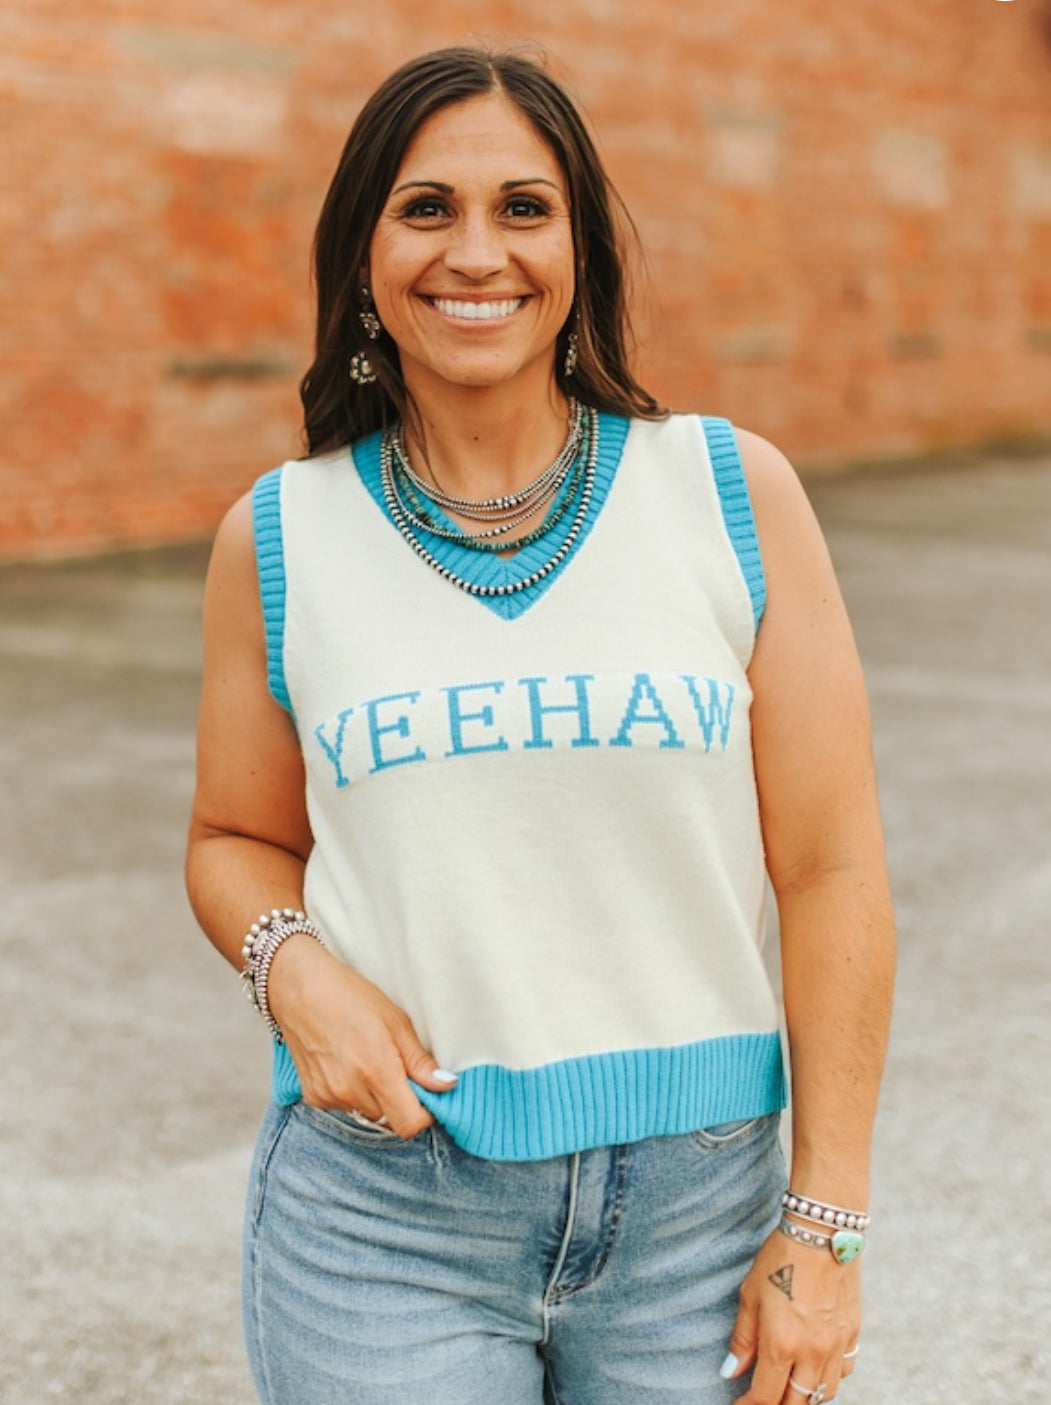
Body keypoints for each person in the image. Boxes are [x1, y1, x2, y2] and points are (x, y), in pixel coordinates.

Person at [185, 44, 894, 1405]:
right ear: (365, 255)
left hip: (697, 1224)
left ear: (580, 254)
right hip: (384, 1218)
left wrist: (827, 1224)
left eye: (524, 207)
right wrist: (293, 971)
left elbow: (832, 868)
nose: (477, 252)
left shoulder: (730, 493)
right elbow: (232, 838)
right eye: (426, 208)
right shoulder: (277, 537)